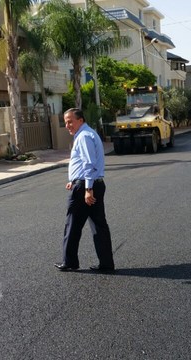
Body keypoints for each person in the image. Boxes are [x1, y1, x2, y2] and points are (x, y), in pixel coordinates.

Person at [54, 108, 115, 272]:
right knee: (99, 225)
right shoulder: (87, 134)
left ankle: (70, 262)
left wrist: (87, 188)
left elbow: (89, 163)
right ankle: (107, 264)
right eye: (65, 122)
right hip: (89, 184)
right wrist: (73, 181)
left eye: (70, 121)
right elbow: (83, 164)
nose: (67, 125)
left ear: (80, 120)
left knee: (72, 224)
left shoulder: (84, 136)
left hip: (87, 187)